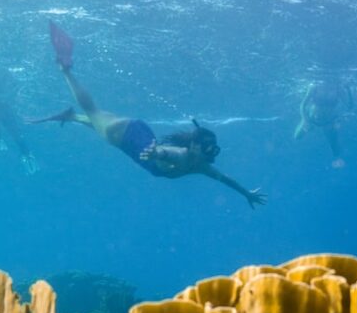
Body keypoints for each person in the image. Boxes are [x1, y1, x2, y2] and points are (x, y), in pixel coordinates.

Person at [30, 22, 267, 208]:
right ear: (193, 146)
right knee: (93, 111)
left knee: (97, 117)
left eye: (211, 149)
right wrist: (155, 152)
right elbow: (166, 153)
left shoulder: (201, 166)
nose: (209, 153)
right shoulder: (184, 157)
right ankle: (66, 69)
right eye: (205, 147)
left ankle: (72, 116)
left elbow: (225, 179)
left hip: (138, 131)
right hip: (126, 137)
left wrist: (246, 193)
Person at [293, 80, 353, 166]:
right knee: (297, 137)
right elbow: (302, 105)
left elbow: (349, 106)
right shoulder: (314, 86)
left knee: (335, 149)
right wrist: (305, 119)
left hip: (329, 122)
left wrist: (348, 89)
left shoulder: (338, 88)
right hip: (311, 119)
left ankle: (338, 168)